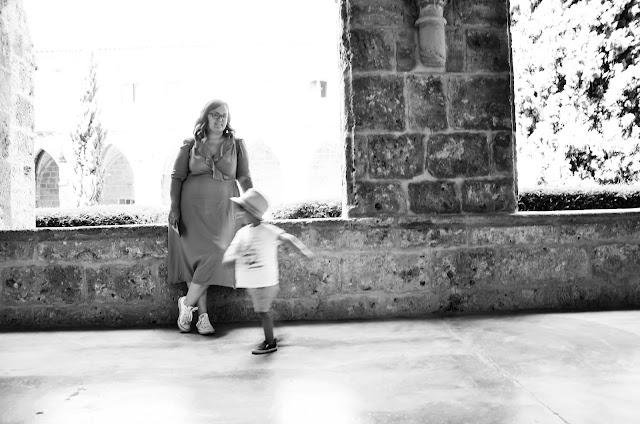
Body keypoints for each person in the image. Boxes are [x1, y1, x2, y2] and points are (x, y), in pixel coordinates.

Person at [168, 99, 253, 335]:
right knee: (196, 261)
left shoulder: (236, 145)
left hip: (223, 212)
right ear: (205, 117)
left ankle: (187, 304)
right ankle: (202, 317)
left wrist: (253, 203)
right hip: (191, 211)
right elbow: (176, 178)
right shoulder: (189, 145)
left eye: (224, 115)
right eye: (215, 114)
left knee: (218, 253)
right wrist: (174, 209)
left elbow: (244, 178)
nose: (220, 119)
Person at [222, 188, 314, 354]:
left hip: (266, 282)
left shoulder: (268, 230)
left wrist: (302, 250)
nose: (239, 214)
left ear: (252, 212)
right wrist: (229, 258)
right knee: (263, 311)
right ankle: (272, 333)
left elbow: (287, 237)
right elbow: (234, 249)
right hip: (255, 282)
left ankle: (270, 342)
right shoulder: (243, 233)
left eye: (242, 210)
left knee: (262, 312)